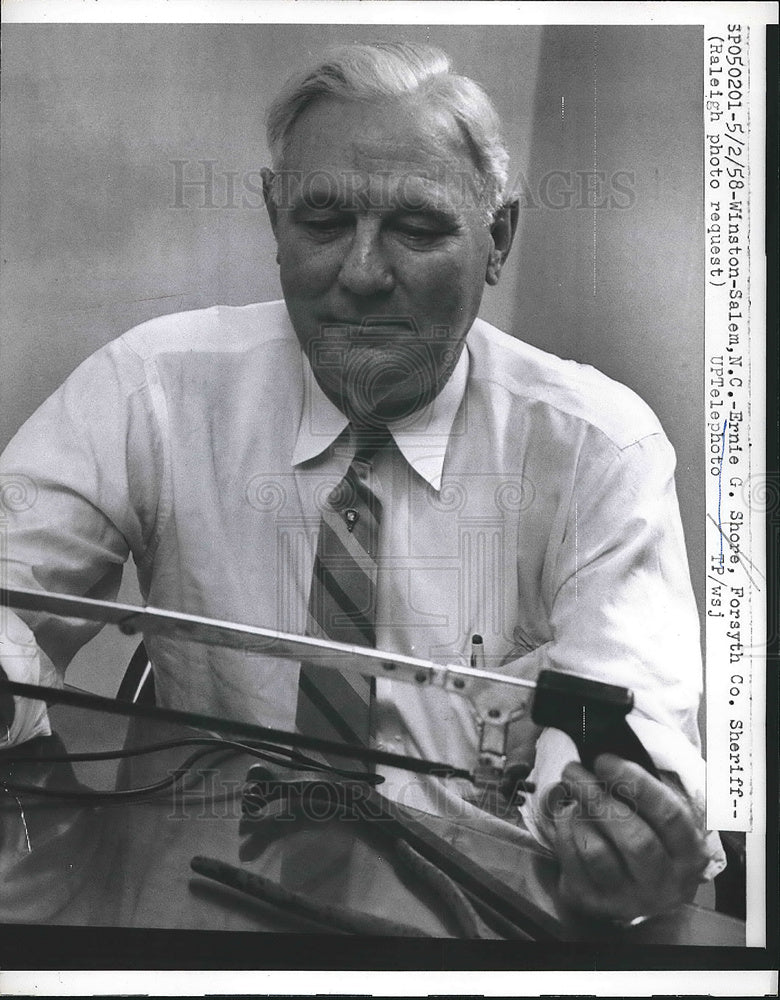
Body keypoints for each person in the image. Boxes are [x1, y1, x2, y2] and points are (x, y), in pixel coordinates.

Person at [0, 41, 722, 923]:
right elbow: (9, 588)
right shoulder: (150, 386)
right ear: (275, 220)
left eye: (417, 230)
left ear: (497, 240)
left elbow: (636, 724)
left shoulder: (598, 448)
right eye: (323, 222)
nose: (363, 274)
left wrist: (626, 830)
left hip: (478, 926)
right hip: (193, 902)